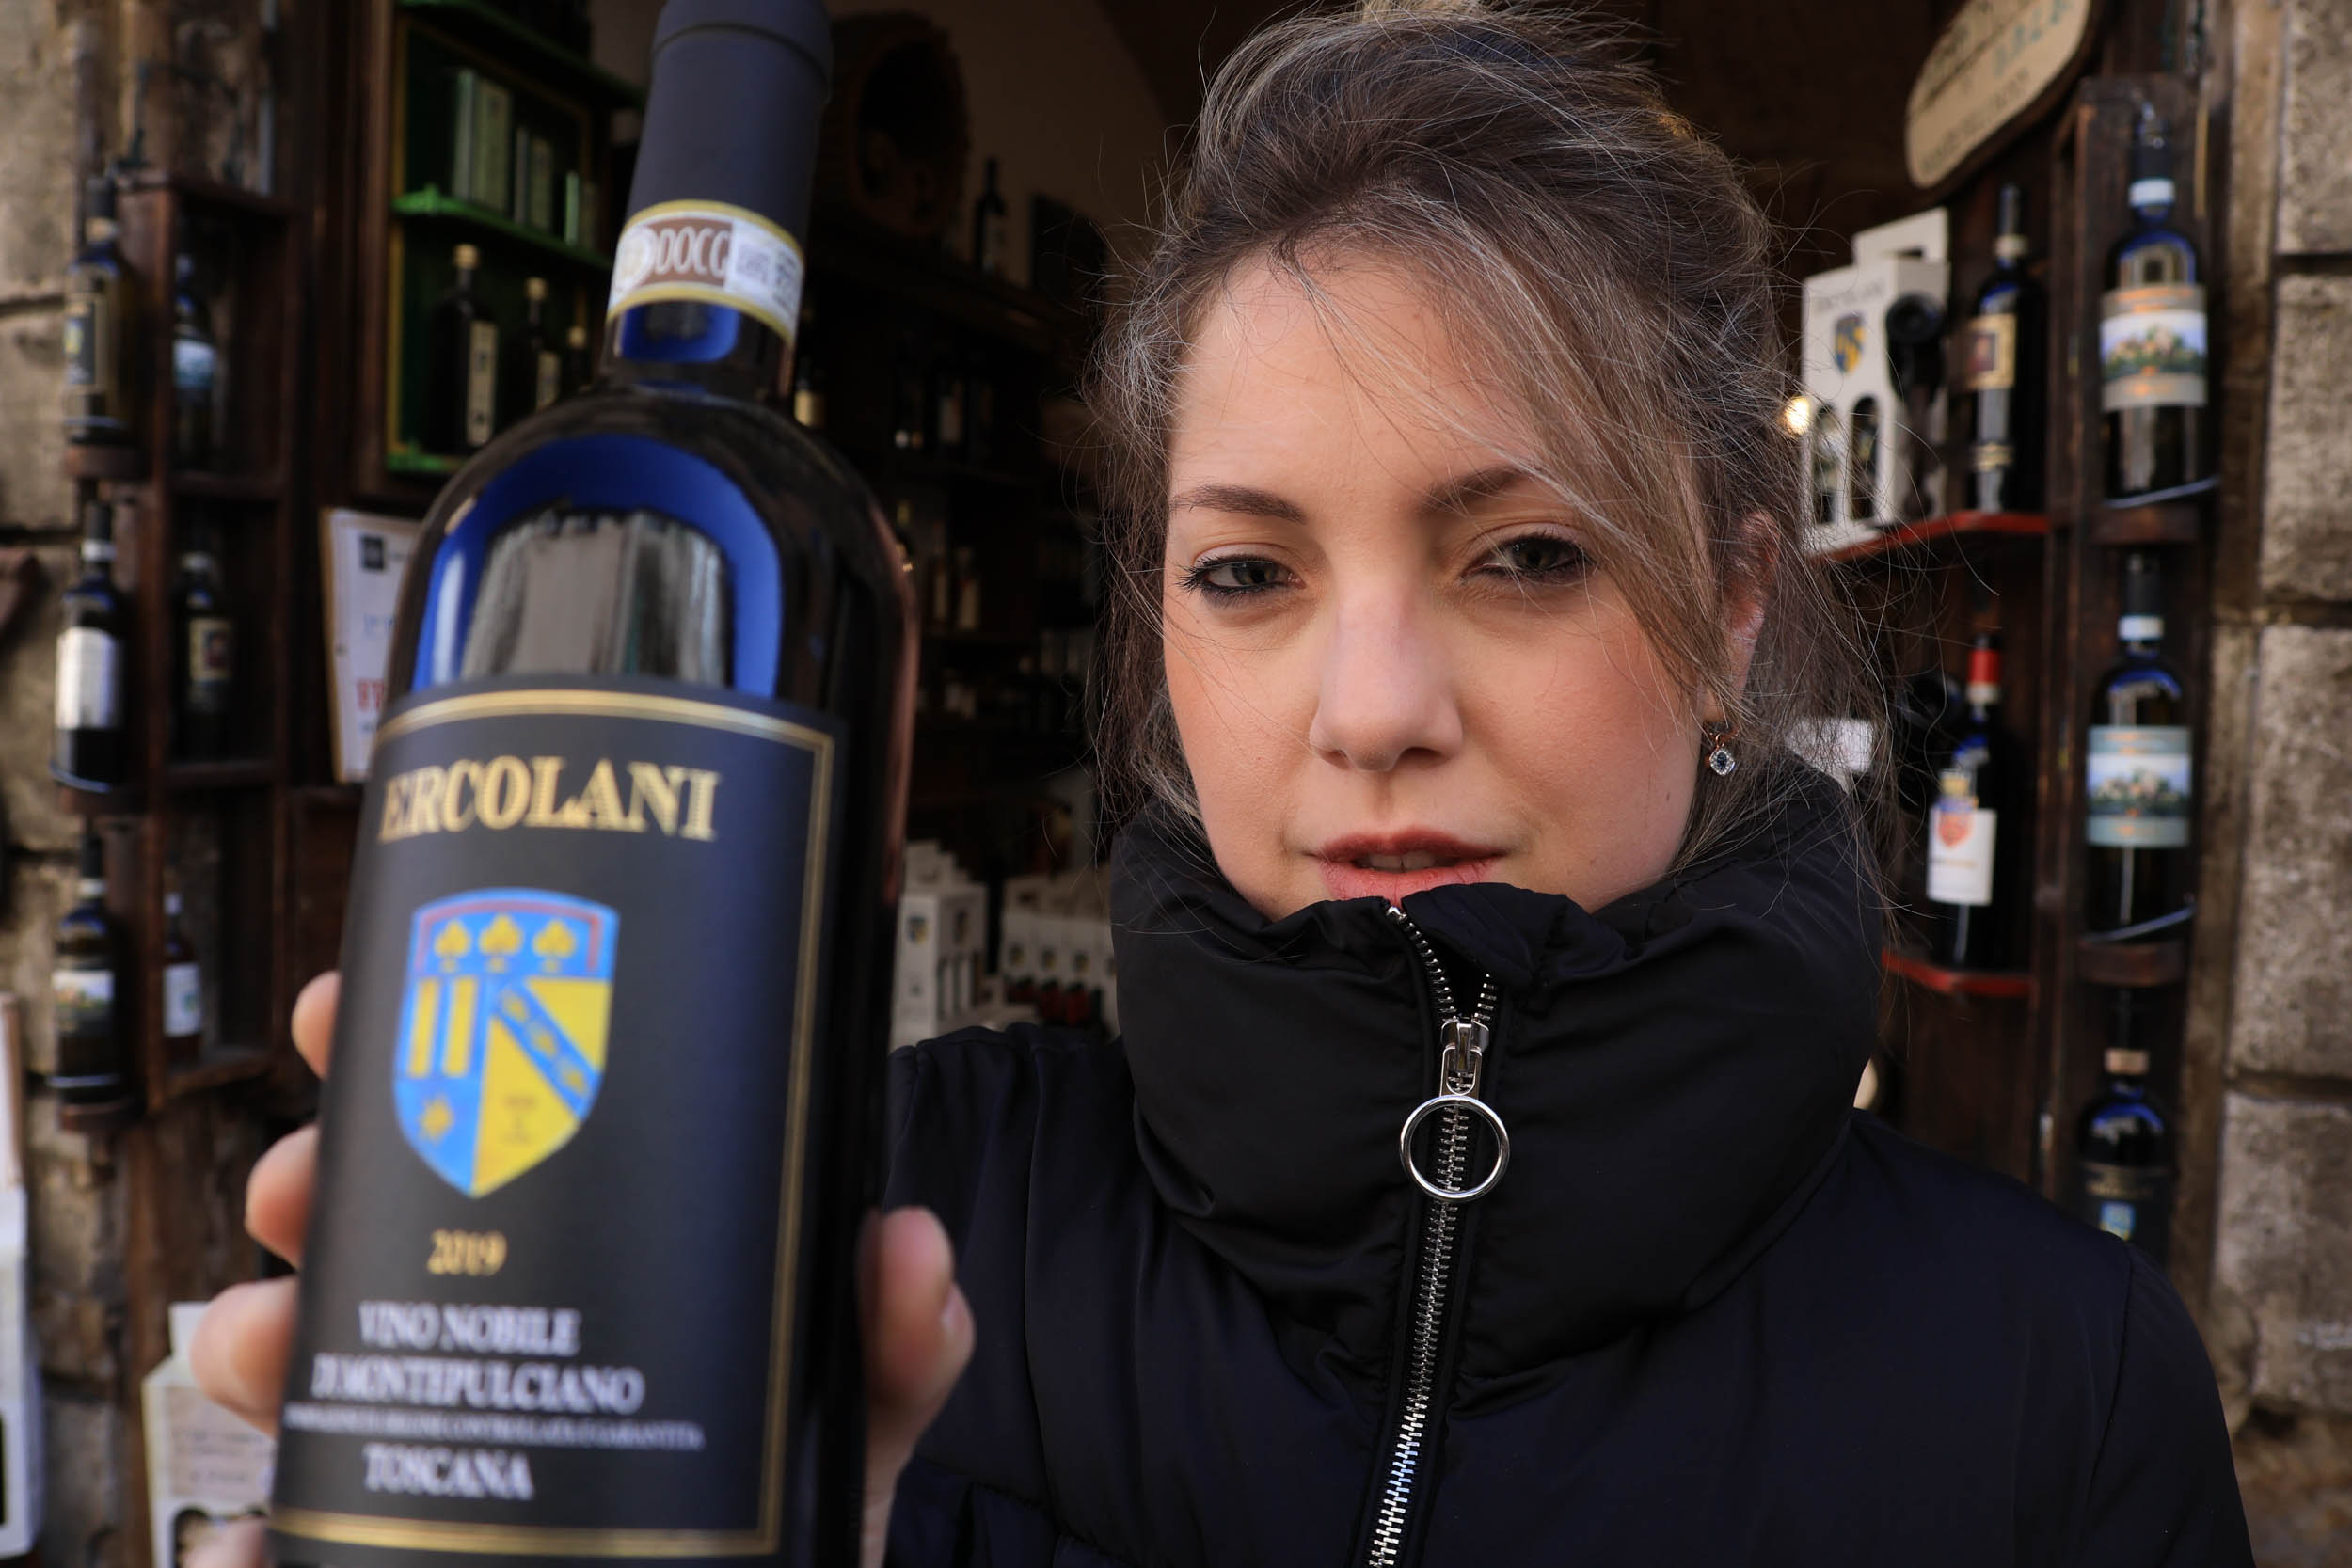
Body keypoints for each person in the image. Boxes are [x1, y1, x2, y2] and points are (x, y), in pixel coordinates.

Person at [191, 4, 2254, 1565]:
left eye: (1523, 553)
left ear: (1728, 606)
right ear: (1160, 638)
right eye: (1249, 573)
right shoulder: (855, 1221)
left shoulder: (2059, 1399)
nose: (1368, 710)